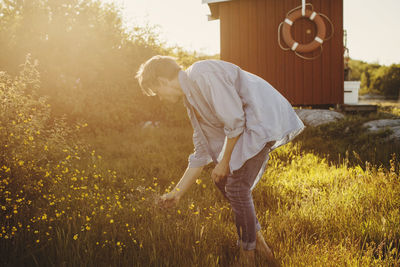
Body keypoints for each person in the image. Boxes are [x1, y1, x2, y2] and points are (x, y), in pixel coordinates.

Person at [135, 55, 305, 266]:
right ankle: (258, 244)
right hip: (248, 127)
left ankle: (247, 256)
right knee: (224, 181)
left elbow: (235, 120)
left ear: (161, 81)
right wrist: (176, 194)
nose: (159, 97)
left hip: (262, 120)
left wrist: (224, 163)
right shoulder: (191, 102)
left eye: (156, 92)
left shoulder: (202, 73)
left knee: (236, 187)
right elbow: (200, 152)